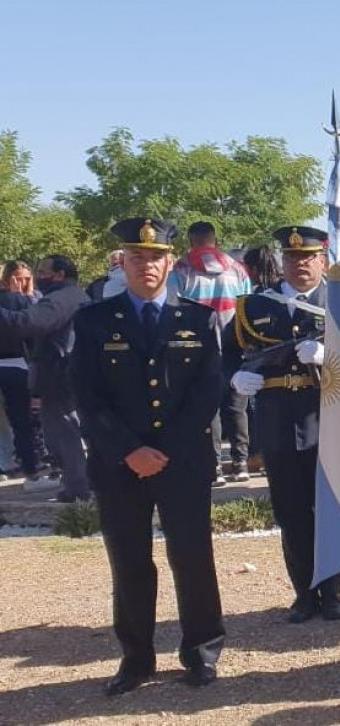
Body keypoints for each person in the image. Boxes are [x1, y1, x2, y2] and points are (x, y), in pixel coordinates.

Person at [72, 218, 225, 695]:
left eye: (155, 256)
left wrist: (164, 451)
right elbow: (87, 396)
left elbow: (207, 392)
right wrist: (129, 450)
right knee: (130, 562)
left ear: (170, 261)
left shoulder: (198, 319)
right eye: (136, 257)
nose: (146, 265)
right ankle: (136, 660)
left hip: (183, 461)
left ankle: (201, 653)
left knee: (192, 557)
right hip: (120, 464)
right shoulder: (94, 320)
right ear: (123, 262)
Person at [225, 226, 340, 623]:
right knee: (291, 512)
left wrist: (329, 355)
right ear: (282, 261)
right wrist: (234, 379)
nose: (300, 264)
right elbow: (224, 355)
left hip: (326, 417)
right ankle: (304, 593)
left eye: (308, 257)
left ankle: (332, 593)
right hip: (278, 420)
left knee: (329, 509)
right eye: (292, 258)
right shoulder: (257, 306)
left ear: (323, 261)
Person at [0, 254, 92, 502]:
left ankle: (78, 488)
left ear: (60, 274)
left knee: (63, 432)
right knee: (61, 432)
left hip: (61, 375)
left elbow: (29, 322)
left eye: (42, 272)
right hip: (62, 374)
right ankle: (78, 483)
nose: (38, 277)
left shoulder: (61, 299)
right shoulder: (74, 295)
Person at [172, 221, 252, 485]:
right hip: (234, 343)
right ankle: (241, 463)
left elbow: (173, 307)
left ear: (191, 241)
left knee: (208, 407)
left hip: (197, 346)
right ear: (215, 240)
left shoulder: (182, 269)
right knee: (236, 406)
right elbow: (248, 306)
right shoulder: (237, 269)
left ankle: (214, 466)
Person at [0, 262, 37, 482]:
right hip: (16, 365)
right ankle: (29, 466)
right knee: (22, 421)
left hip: (12, 363)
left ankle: (5, 463)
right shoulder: (22, 302)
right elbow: (32, 338)